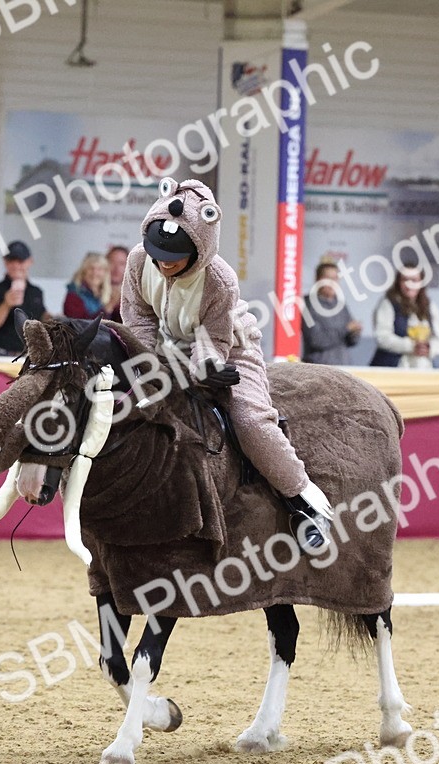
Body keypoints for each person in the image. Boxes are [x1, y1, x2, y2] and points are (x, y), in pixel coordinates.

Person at [121, 178, 335, 552]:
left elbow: (215, 338)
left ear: (200, 250)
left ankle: (307, 503)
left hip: (230, 348)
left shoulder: (220, 280)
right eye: (158, 252)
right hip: (166, 348)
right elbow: (137, 317)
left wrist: (205, 368)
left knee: (251, 421)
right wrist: (145, 363)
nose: (163, 262)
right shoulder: (140, 259)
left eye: (173, 256)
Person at [370, 263, 439, 369]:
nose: (409, 284)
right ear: (398, 282)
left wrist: (429, 348)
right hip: (391, 367)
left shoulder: (430, 306)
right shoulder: (388, 303)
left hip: (422, 368)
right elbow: (382, 337)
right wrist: (411, 346)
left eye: (414, 280)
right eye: (405, 280)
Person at [0, 240, 48, 355]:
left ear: (29, 262)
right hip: (3, 354)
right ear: (5, 262)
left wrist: (54, 319)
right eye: (11, 260)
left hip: (30, 355)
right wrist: (6, 304)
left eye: (20, 261)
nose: (16, 265)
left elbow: (41, 318)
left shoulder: (36, 292)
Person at [301, 261, 362, 366]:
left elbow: (351, 342)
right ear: (318, 280)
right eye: (328, 278)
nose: (332, 283)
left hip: (343, 368)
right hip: (318, 370)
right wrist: (346, 329)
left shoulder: (340, 305)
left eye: (335, 278)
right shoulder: (307, 304)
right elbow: (316, 340)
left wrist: (355, 332)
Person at [63, 252, 112, 320]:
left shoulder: (110, 294)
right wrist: (106, 310)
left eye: (100, 269)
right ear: (83, 272)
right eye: (91, 268)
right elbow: (78, 324)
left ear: (105, 273)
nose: (95, 273)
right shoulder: (74, 294)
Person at [106, 245, 129, 322]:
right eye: (112, 262)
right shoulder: (92, 292)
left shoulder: (134, 295)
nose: (116, 268)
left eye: (121, 264)